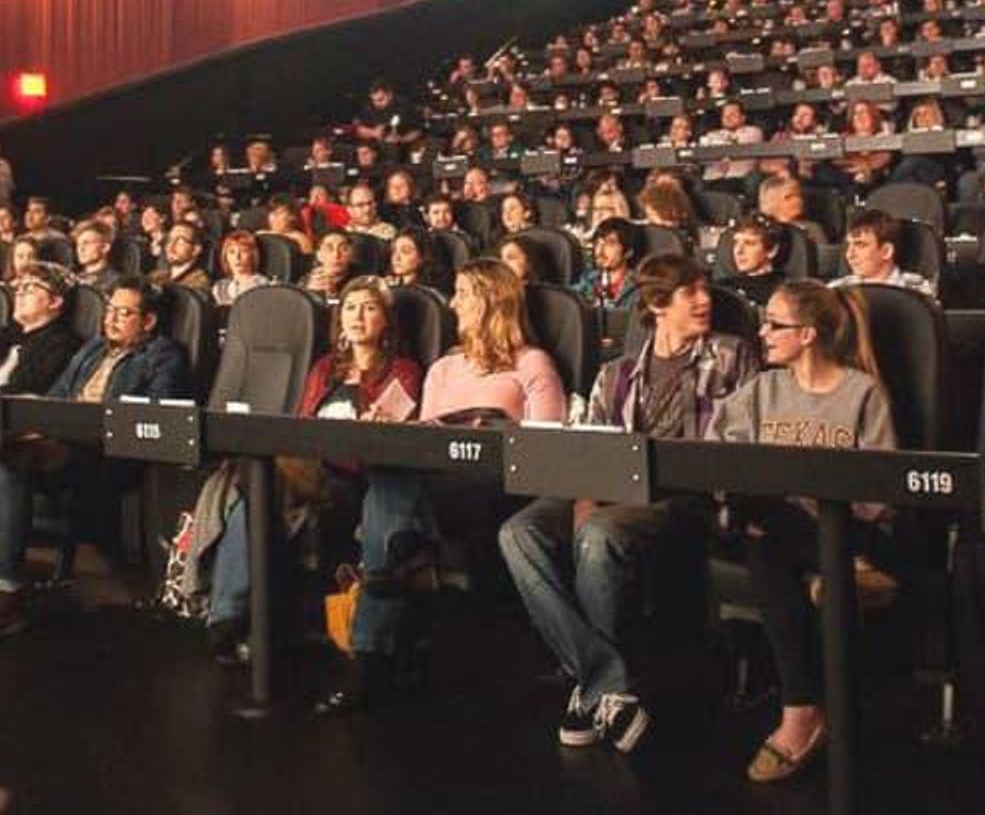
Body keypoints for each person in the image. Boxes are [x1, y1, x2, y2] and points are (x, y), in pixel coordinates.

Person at [499, 252, 757, 753]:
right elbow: (591, 448)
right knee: (518, 533)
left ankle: (594, 687)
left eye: (705, 289)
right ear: (658, 304)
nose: (705, 301)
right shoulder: (617, 372)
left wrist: (596, 511)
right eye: (691, 293)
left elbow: (739, 447)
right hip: (613, 490)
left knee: (599, 534)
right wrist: (585, 499)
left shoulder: (732, 356)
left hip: (685, 499)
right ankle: (609, 683)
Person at [317, 260, 568, 714]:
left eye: (463, 294)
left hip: (496, 486)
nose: (452, 304)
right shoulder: (445, 367)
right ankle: (401, 566)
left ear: (493, 302)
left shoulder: (532, 364)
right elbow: (424, 443)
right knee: (390, 480)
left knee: (388, 500)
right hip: (436, 486)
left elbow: (545, 453)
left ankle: (373, 645)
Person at [710, 280, 896, 782]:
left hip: (851, 531)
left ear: (809, 334)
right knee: (762, 528)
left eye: (775, 324)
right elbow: (715, 455)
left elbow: (879, 491)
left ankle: (800, 716)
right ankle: (842, 575)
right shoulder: (763, 391)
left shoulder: (862, 392)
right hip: (791, 540)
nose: (762, 333)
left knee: (765, 528)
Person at [0, 267, 165, 646]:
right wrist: (40, 413)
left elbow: (157, 417)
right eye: (109, 309)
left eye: (124, 312)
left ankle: (5, 592)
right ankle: (4, 588)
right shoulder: (91, 350)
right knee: (12, 453)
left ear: (149, 320)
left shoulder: (160, 355)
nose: (111, 318)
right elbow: (56, 399)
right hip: (65, 444)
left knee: (13, 457)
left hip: (107, 455)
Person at [203, 279, 423, 663]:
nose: (357, 316)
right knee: (258, 499)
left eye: (369, 308)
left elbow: (391, 436)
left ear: (386, 320)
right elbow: (301, 426)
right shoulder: (325, 368)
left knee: (256, 483)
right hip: (306, 469)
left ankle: (228, 616)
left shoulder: (403, 370)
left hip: (354, 476)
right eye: (350, 307)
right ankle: (237, 620)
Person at [832, 208, 936, 297]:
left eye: (860, 245)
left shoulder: (918, 293)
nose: (849, 255)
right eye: (849, 245)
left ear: (886, 251)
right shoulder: (836, 291)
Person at [719, 215, 785, 307]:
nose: (739, 251)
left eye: (749, 243)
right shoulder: (722, 289)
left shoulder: (785, 291)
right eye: (736, 242)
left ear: (772, 250)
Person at [212, 230, 269, 306]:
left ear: (253, 255)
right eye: (232, 252)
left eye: (243, 251)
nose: (237, 257)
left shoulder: (262, 286)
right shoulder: (219, 288)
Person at [156, 222, 211, 292]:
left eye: (180, 241)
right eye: (170, 240)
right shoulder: (157, 276)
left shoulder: (199, 283)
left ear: (196, 250)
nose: (171, 247)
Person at [304, 230, 356, 298]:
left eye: (344, 249)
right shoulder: (309, 279)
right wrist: (309, 295)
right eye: (329, 249)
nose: (336, 255)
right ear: (319, 256)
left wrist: (332, 295)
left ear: (352, 254)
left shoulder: (359, 282)